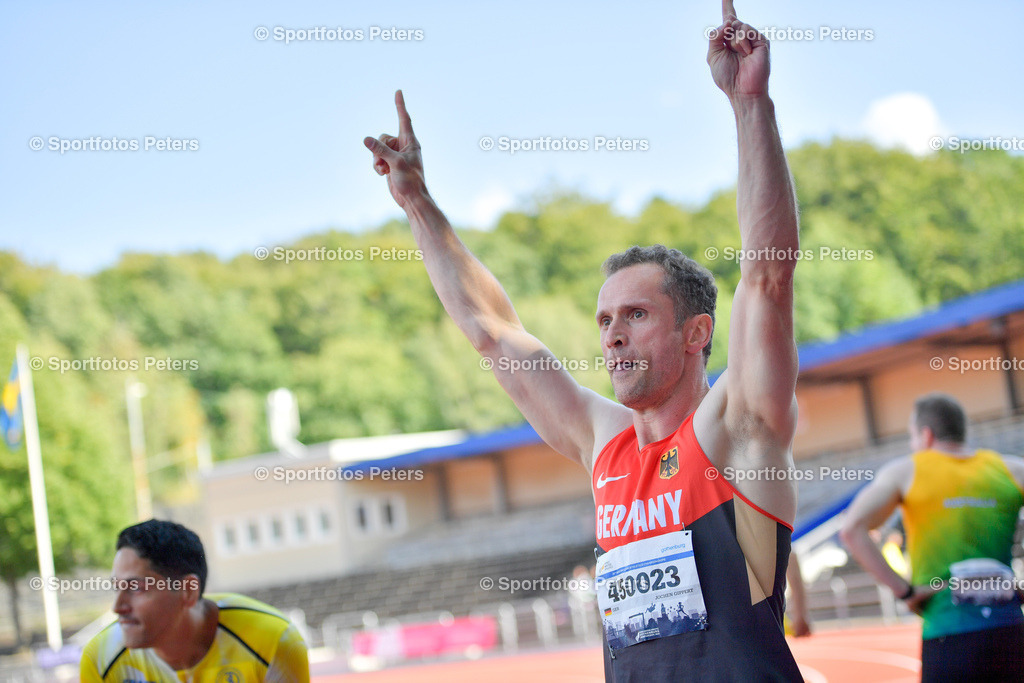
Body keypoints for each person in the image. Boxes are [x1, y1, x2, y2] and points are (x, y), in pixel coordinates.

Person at [364, 0, 802, 678]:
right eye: (604, 321)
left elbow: (768, 274)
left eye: (635, 315)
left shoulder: (735, 430)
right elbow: (495, 334)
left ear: (697, 333)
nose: (613, 336)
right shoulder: (606, 444)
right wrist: (419, 203)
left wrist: (749, 104)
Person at [840, 393, 1024, 682]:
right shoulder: (1012, 469)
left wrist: (905, 592)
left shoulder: (907, 470)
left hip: (947, 633)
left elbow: (852, 530)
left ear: (925, 435)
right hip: (1011, 632)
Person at [80, 519, 309, 683]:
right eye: (117, 588)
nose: (117, 607)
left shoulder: (272, 641)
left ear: (188, 591)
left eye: (136, 588)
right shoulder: (101, 657)